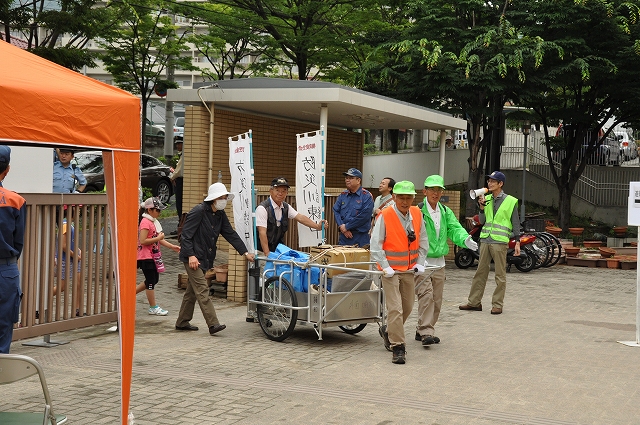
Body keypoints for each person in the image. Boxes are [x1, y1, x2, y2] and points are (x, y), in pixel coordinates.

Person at [175, 182, 255, 334]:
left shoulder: (219, 215)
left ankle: (182, 322)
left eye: (225, 197)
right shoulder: (199, 211)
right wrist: (191, 255)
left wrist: (245, 253)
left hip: (205, 258)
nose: (224, 200)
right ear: (214, 198)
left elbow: (229, 233)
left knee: (192, 292)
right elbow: (186, 235)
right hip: (192, 257)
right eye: (222, 197)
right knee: (202, 290)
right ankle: (213, 324)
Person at [414, 175, 478, 346]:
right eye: (432, 189)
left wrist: (465, 239)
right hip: (423, 262)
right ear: (424, 191)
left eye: (439, 189)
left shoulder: (444, 211)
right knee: (426, 297)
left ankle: (423, 327)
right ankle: (426, 331)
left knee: (436, 299)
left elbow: (454, 228)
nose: (436, 193)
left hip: (440, 264)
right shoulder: (418, 211)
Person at [370, 181, 428, 364]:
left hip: (409, 270)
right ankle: (398, 347)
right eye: (401, 197)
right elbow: (375, 243)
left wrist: (420, 262)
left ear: (413, 198)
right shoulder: (386, 215)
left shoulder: (417, 214)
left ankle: (389, 331)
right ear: (394, 197)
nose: (405, 201)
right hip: (390, 271)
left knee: (408, 306)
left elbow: (423, 239)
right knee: (395, 308)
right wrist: (385, 266)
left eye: (408, 197)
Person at [459, 171, 520, 315]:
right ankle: (474, 302)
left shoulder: (510, 201)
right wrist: (481, 208)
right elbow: (482, 221)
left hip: (500, 241)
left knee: (500, 274)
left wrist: (517, 241)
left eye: (493, 181)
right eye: (489, 181)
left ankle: (497, 304)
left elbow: (515, 223)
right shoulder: (486, 199)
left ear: (501, 184)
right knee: (480, 272)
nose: (489, 183)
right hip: (485, 240)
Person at [256, 177, 328, 256]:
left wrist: (317, 226)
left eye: (284, 191)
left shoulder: (286, 207)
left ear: (287, 193)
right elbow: (262, 233)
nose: (280, 193)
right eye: (277, 190)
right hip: (262, 252)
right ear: (271, 191)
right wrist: (267, 254)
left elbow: (300, 218)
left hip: (278, 251)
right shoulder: (262, 208)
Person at [0, 146, 26, 353]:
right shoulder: (15, 200)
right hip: (5, 271)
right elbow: (18, 243)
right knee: (4, 325)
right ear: (7, 169)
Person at [137, 197, 180, 316]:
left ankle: (129, 296)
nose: (159, 213)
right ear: (150, 210)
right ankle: (153, 307)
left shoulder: (152, 221)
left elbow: (159, 239)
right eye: (158, 210)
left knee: (154, 279)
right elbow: (143, 240)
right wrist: (158, 238)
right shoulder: (145, 222)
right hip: (146, 256)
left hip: (152, 255)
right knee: (151, 281)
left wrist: (172, 246)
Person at [333, 168, 374, 247]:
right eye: (346, 178)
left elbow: (364, 216)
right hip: (344, 237)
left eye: (351, 178)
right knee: (343, 259)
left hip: (360, 237)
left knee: (361, 259)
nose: (347, 180)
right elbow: (336, 210)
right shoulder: (343, 195)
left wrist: (347, 226)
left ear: (358, 181)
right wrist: (342, 227)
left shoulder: (366, 196)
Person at [170, 136, 184, 220]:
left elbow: (178, 171)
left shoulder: (183, 155)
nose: (177, 146)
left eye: (179, 144)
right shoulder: (182, 155)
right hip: (180, 180)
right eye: (177, 144)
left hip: (180, 181)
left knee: (179, 203)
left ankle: (180, 224)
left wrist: (172, 177)